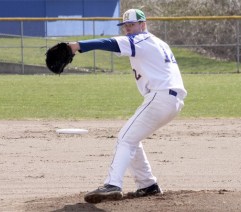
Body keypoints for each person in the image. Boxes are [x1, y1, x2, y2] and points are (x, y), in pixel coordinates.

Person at [68, 8, 187, 203]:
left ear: (143, 25)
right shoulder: (157, 42)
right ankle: (147, 184)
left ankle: (112, 184)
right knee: (132, 138)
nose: (128, 29)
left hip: (161, 97)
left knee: (124, 138)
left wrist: (76, 46)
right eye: (125, 26)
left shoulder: (140, 40)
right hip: (170, 98)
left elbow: (108, 43)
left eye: (131, 25)